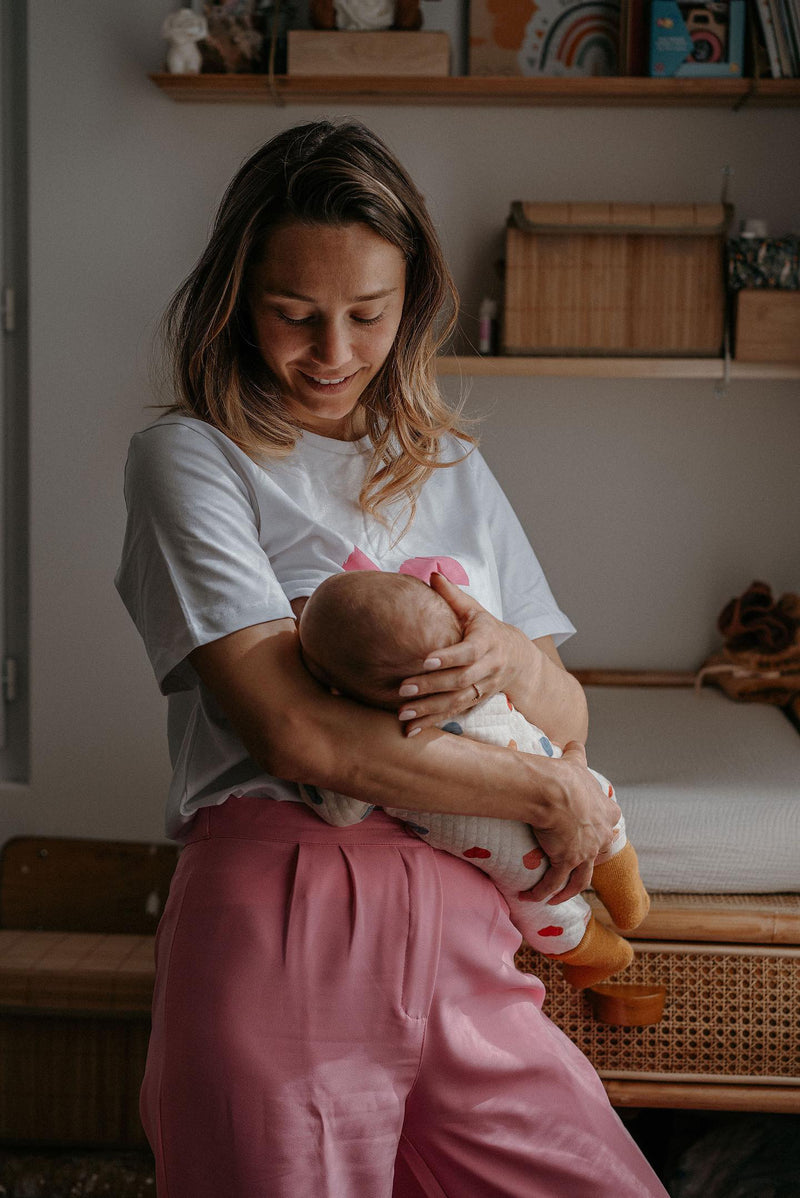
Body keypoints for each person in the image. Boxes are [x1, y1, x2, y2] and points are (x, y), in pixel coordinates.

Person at [116, 119, 668, 1197]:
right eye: (293, 315)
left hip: (467, 923)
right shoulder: (190, 461)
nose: (330, 352)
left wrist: (502, 652)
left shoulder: (450, 465)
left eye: (365, 315)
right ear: (236, 303)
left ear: (409, 304)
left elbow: (564, 710)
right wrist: (543, 789)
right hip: (288, 913)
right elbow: (296, 730)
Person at [295, 567, 650, 990]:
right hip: (579, 782)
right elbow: (569, 730)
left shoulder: (375, 745)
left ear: (331, 687)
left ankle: (603, 953)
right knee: (604, 811)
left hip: (521, 867)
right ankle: (632, 902)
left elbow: (340, 811)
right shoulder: (480, 681)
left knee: (549, 915)